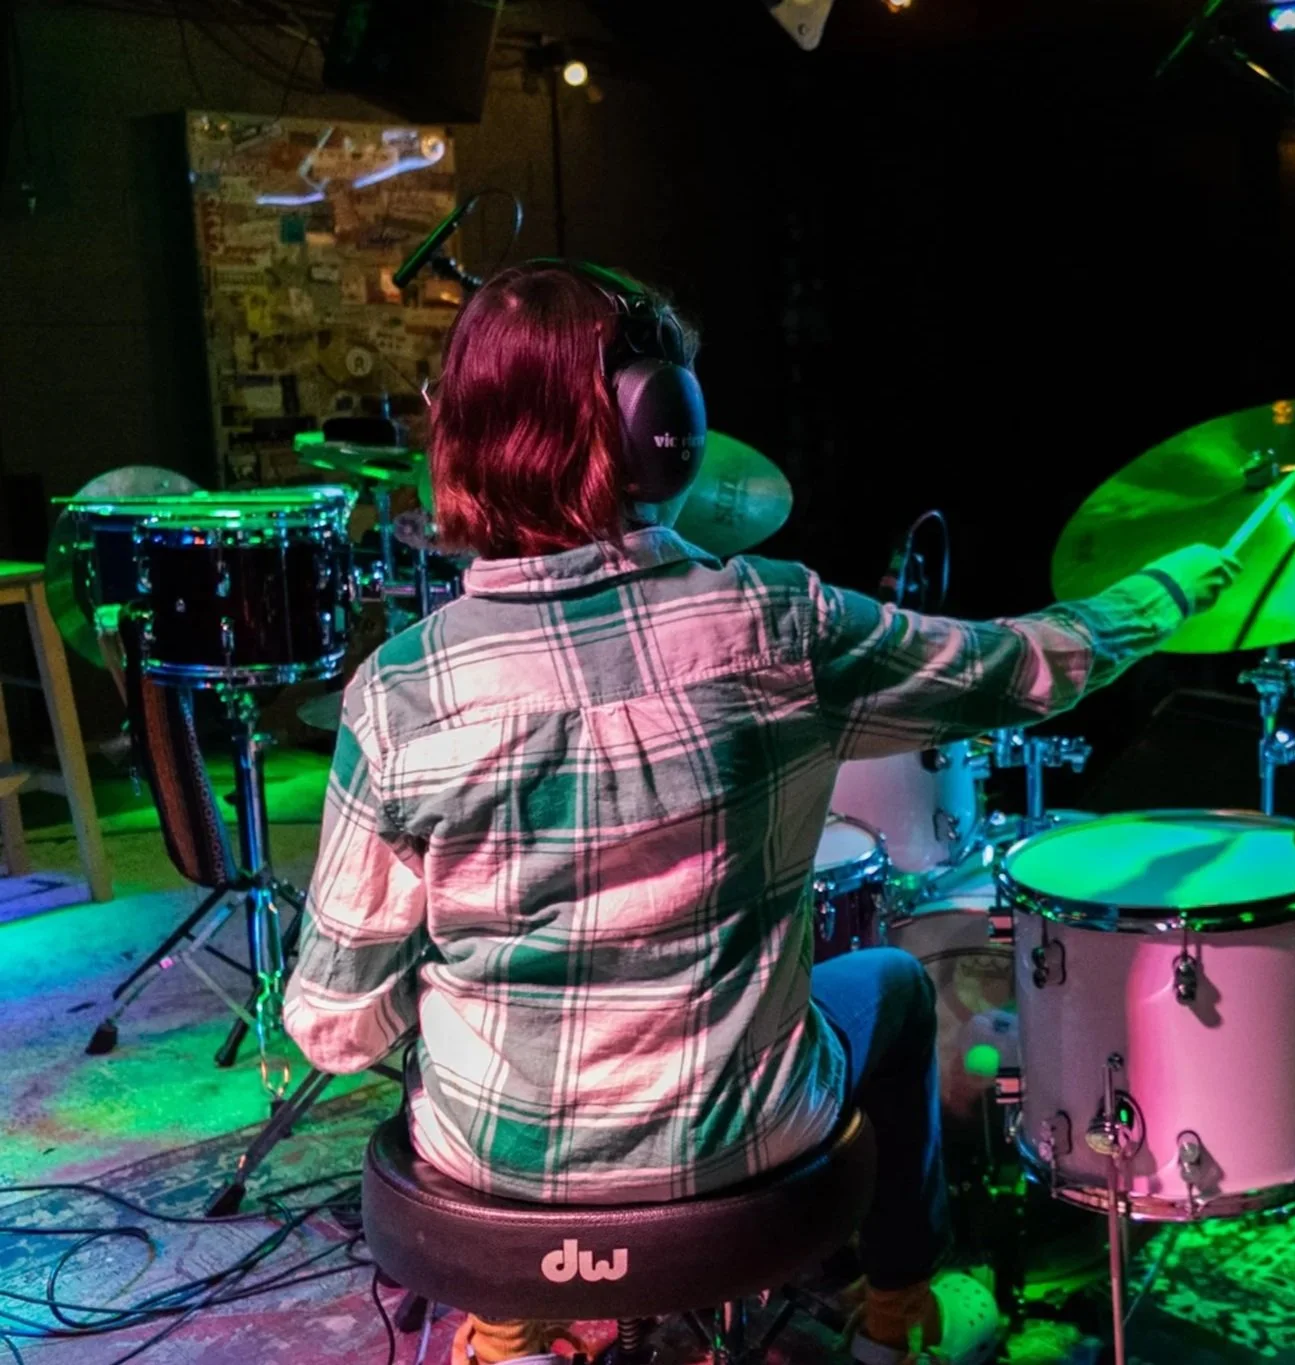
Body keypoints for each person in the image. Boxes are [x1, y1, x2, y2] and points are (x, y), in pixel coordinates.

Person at [279, 261, 1237, 1365]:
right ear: (661, 433)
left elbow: (333, 1030)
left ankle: (515, 1322)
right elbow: (1025, 668)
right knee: (886, 983)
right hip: (751, 1156)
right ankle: (896, 1308)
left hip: (488, 1185)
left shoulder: (398, 694)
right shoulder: (776, 623)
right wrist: (1170, 587)